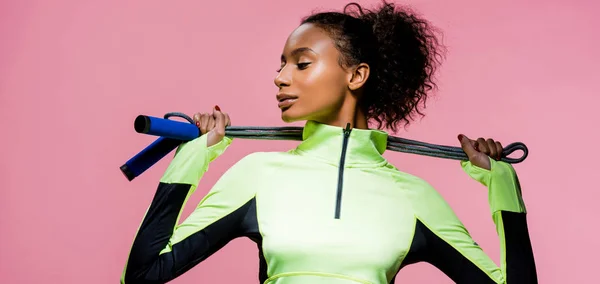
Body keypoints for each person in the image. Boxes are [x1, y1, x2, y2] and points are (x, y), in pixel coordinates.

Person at [120, 1, 537, 283]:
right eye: (281, 65)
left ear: (356, 76)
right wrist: (193, 156)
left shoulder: (414, 198)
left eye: (301, 63)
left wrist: (501, 184)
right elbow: (141, 275)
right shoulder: (256, 176)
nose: (281, 77)